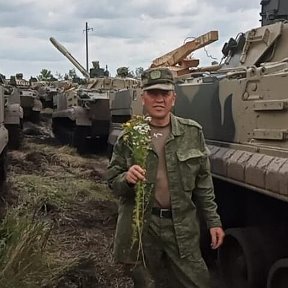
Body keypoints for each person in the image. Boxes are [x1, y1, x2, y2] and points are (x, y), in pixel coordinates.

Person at [107, 67, 225, 288]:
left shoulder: (192, 133)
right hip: (144, 226)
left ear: (174, 98)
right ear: (143, 98)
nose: (159, 99)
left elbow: (203, 184)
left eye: (165, 93)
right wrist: (127, 178)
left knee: (198, 281)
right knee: (149, 282)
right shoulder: (130, 136)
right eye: (153, 94)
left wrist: (213, 222)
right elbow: (112, 181)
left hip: (181, 225)